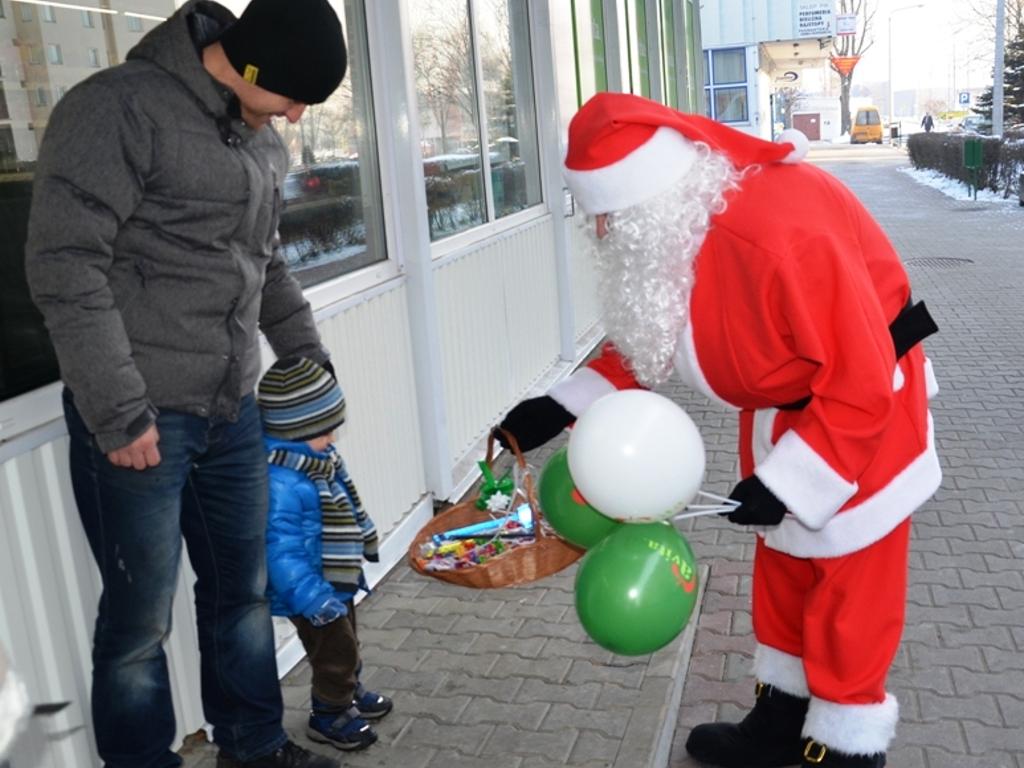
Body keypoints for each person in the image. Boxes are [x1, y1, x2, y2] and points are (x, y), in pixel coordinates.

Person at [498, 93, 941, 768]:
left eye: (608, 214)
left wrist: (797, 480)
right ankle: (782, 719)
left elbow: (860, 376)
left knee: (853, 592)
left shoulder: (779, 235)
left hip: (865, 411)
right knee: (785, 568)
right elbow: (655, 327)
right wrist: (564, 403)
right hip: (784, 405)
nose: (603, 231)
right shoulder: (674, 225)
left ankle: (850, 747)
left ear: (648, 196)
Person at [24, 1, 349, 766]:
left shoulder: (260, 139)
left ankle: (254, 745)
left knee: (243, 594)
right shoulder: (118, 109)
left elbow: (266, 269)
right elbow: (65, 265)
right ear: (253, 64)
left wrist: (312, 381)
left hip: (231, 408)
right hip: (140, 415)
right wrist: (119, 413)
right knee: (139, 627)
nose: (298, 116)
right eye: (295, 96)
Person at [256, 357, 393, 753]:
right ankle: (328, 713)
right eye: (326, 430)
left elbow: (347, 507)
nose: (333, 438)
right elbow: (280, 550)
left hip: (334, 578)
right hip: (309, 591)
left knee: (348, 639)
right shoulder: (280, 481)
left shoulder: (319, 462)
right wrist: (313, 598)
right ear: (296, 429)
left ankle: (346, 691)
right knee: (333, 650)